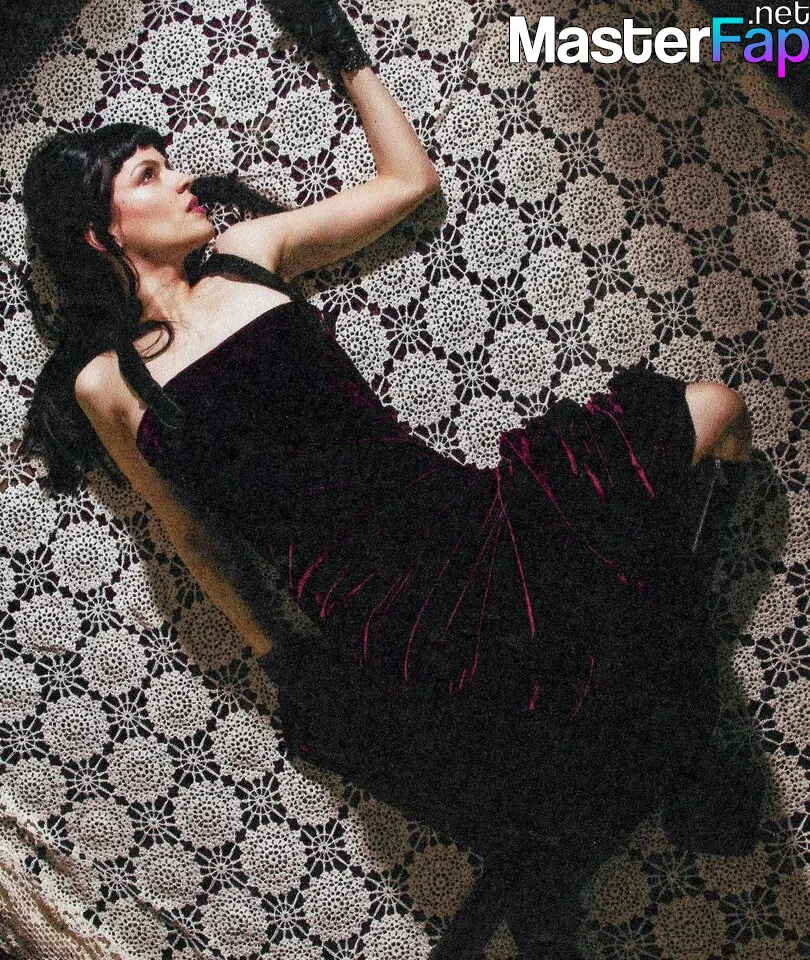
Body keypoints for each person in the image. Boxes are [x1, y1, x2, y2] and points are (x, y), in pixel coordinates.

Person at [21, 1, 759, 955]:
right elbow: (191, 534)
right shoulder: (107, 384)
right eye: (151, 174)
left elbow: (409, 183)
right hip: (378, 614)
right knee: (549, 719)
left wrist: (339, 47)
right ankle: (593, 822)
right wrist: (275, 652)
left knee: (716, 410)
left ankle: (645, 773)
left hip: (465, 520)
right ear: (98, 234)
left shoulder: (247, 258)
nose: (186, 179)